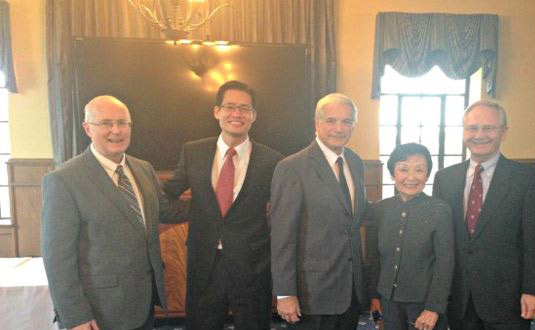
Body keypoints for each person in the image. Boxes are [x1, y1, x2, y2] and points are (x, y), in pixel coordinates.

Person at [161, 80, 283, 330]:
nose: (236, 114)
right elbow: (166, 196)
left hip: (253, 264)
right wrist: (196, 211)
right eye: (229, 106)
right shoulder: (193, 152)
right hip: (204, 262)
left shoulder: (272, 160)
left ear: (253, 116)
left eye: (244, 108)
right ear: (217, 111)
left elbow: (283, 212)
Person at [41, 95, 167, 330]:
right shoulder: (63, 180)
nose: (116, 130)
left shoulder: (143, 169)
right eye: (106, 123)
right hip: (98, 313)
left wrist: (220, 202)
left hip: (144, 303)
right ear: (87, 128)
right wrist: (75, 316)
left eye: (123, 123)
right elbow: (57, 258)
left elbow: (165, 211)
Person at [432, 100, 535, 330]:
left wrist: (533, 290)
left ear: (503, 132)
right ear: (464, 132)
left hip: (508, 300)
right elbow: (440, 241)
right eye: (472, 128)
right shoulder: (444, 179)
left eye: (488, 128)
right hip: (459, 298)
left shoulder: (528, 179)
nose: (479, 135)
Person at [270, 93, 367, 330]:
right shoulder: (292, 167)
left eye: (347, 122)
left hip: (351, 290)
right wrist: (285, 293)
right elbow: (282, 236)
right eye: (332, 121)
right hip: (312, 294)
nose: (339, 128)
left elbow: (353, 215)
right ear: (317, 123)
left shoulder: (355, 161)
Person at [367, 143, 454, 330]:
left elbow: (445, 263)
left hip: (424, 304)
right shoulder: (381, 209)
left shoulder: (440, 210)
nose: (411, 177)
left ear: (428, 174)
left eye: (419, 170)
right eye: (403, 169)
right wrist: (374, 299)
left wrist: (434, 308)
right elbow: (375, 258)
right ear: (392, 174)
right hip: (387, 301)